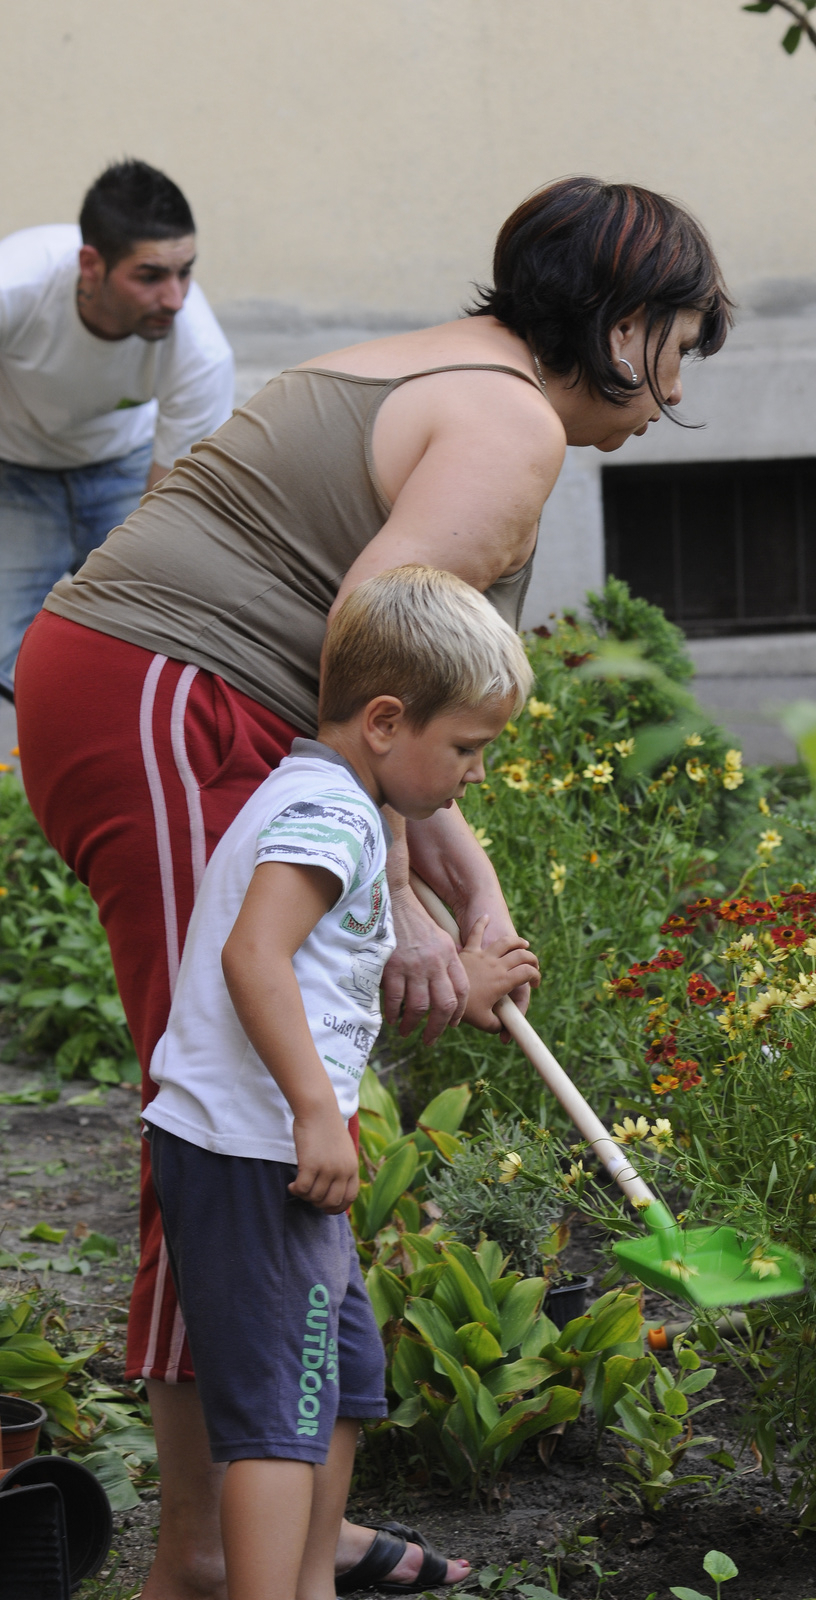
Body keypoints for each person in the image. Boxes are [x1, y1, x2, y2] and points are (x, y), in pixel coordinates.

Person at [15, 175, 732, 1598]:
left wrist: (469, 894)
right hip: (175, 700)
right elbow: (373, 672)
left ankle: (272, 1520)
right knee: (224, 1115)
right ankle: (212, 1548)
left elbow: (402, 717)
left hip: (202, 706)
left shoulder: (454, 377)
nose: (678, 379)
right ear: (627, 321)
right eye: (682, 339)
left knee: (260, 1109)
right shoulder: (509, 422)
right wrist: (396, 910)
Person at [143, 566, 539, 1600]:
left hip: (273, 1141)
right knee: (283, 1404)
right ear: (383, 720)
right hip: (251, 1147)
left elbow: (327, 977)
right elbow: (255, 958)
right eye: (464, 747)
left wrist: (467, 982)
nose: (472, 775)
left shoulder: (335, 800)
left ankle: (309, 1581)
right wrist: (319, 1113)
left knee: (338, 1378)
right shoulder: (328, 811)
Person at [0, 158, 233, 697]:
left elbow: (170, 515)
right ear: (91, 264)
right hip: (13, 473)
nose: (175, 299)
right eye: (150, 276)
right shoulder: (16, 287)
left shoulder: (200, 352)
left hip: (126, 467)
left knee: (149, 636)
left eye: (185, 271)